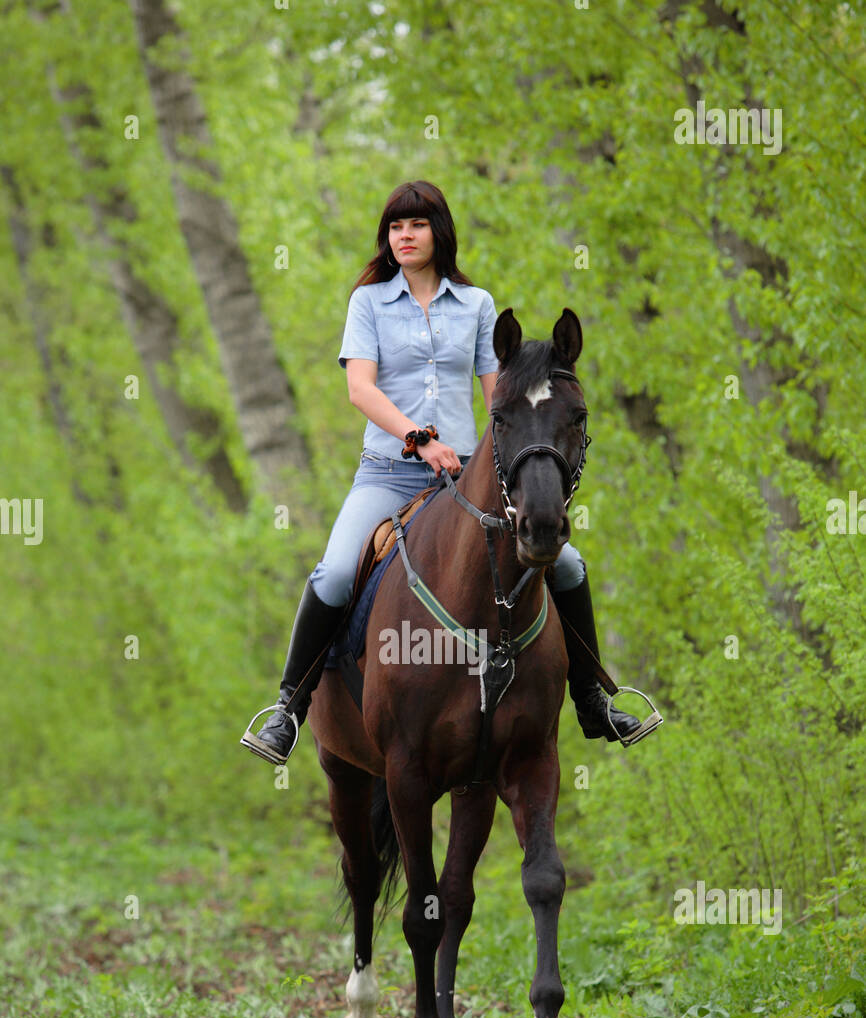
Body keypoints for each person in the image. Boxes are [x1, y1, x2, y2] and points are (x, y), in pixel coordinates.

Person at [241, 180, 642, 765]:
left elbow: (495, 400)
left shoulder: (477, 306)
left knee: (570, 563)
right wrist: (418, 439)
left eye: (417, 225)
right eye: (396, 227)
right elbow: (360, 387)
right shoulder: (369, 303)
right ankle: (287, 711)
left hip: (464, 481)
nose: (404, 236)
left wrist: (514, 462)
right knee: (331, 574)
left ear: (439, 233)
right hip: (387, 475)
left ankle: (591, 700)